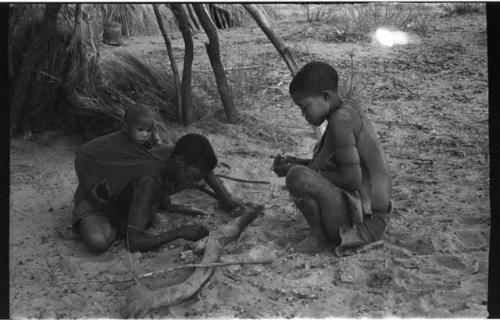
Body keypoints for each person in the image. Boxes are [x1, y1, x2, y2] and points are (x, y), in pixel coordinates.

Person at [272, 61, 392, 254]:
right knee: (298, 172)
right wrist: (299, 163)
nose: (304, 115)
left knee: (297, 177)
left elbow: (352, 179)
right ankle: (321, 233)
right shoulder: (344, 111)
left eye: (305, 107)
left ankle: (318, 237)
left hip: (365, 226)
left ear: (326, 96)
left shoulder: (340, 120)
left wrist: (300, 172)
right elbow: (335, 165)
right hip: (369, 217)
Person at [73, 130, 248, 253]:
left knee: (146, 214)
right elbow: (133, 243)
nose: (194, 183)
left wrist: (225, 198)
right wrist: (180, 232)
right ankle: (119, 215)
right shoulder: (149, 180)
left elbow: (205, 168)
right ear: (179, 162)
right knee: (99, 242)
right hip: (95, 198)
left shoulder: (174, 153)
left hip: (136, 192)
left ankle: (133, 212)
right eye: (191, 176)